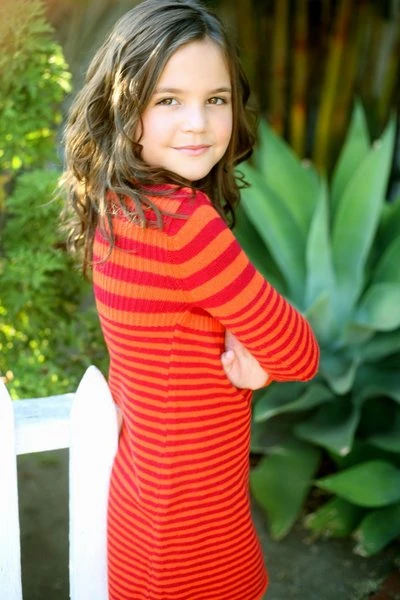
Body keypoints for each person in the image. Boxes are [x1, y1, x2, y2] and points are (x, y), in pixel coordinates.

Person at [61, 1, 319, 598]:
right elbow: (299, 354)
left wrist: (249, 341)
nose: (198, 123)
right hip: (193, 533)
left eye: (216, 99)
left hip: (146, 510)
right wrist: (259, 356)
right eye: (169, 100)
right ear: (124, 106)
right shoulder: (185, 225)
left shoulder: (118, 207)